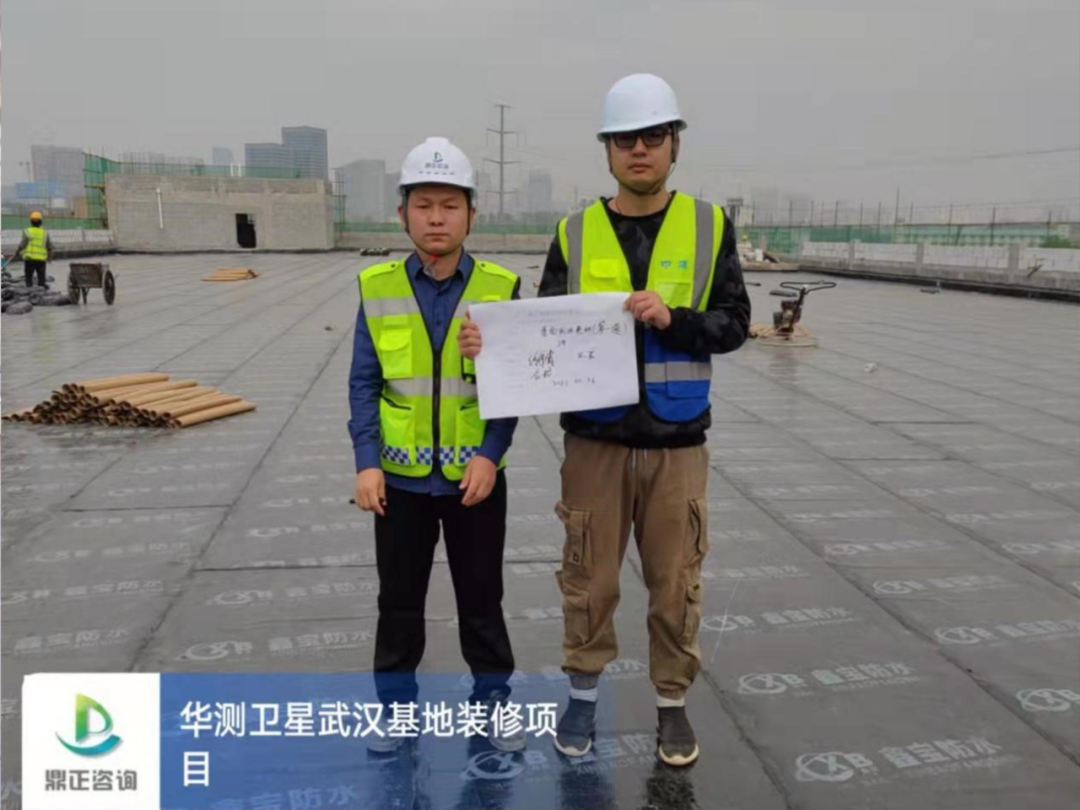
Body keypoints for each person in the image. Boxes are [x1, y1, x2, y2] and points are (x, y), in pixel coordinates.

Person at [458, 74, 751, 766]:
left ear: (674, 144)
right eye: (625, 139)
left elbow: (735, 323)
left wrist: (674, 319)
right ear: (608, 150)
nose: (639, 149)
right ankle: (583, 697)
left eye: (652, 136)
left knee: (675, 582)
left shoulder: (710, 226)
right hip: (594, 443)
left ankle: (672, 704)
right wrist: (490, 348)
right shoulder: (574, 232)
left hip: (678, 444)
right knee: (589, 578)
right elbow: (542, 331)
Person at [348, 137, 524, 753]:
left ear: (471, 214)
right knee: (398, 605)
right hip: (398, 483)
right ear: (403, 214)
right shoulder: (377, 287)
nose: (437, 219)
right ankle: (396, 713)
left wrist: (491, 454)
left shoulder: (501, 286)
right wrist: (366, 463)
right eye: (424, 205)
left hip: (476, 479)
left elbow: (514, 385)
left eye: (450, 206)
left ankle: (493, 705)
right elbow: (364, 383)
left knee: (482, 601)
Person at [13, 211, 53, 289]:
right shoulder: (44, 233)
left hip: (29, 259)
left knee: (28, 279)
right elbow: (50, 247)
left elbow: (22, 244)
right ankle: (42, 291)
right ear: (41, 222)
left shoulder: (27, 231)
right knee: (41, 279)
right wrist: (49, 258)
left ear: (31, 221)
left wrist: (17, 252)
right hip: (41, 260)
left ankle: (29, 291)